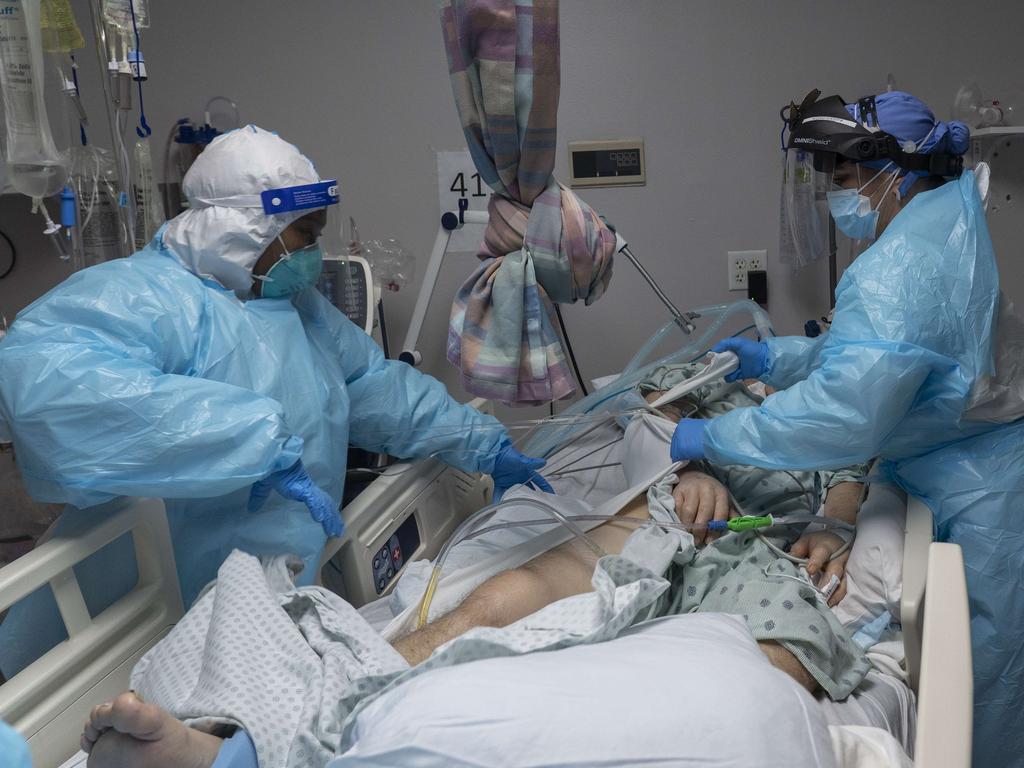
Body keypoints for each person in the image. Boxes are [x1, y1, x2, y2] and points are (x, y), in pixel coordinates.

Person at [77, 363, 870, 768]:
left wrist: (833, 525)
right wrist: (691, 467)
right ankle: (259, 741)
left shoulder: (850, 418)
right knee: (491, 606)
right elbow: (651, 417)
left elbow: (849, 484)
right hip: (656, 518)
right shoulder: (725, 380)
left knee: (773, 673)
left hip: (746, 551)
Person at [0, 125, 550, 678]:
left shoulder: (296, 306)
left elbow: (372, 385)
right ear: (242, 228)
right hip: (124, 618)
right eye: (303, 234)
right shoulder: (145, 297)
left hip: (257, 602)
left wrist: (481, 444)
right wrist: (253, 439)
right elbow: (50, 393)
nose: (314, 252)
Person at [670, 90, 1024, 767]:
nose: (835, 194)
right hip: (950, 457)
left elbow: (844, 413)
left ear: (890, 170)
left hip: (981, 484)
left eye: (840, 176)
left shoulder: (901, 267)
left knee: (992, 686)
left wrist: (713, 438)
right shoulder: (937, 227)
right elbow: (876, 359)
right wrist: (777, 357)